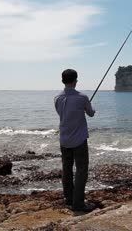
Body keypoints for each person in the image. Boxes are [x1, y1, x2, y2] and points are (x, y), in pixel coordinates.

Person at [54, 69, 95, 212]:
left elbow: (63, 114)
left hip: (64, 139)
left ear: (62, 81)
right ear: (76, 80)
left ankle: (69, 199)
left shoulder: (57, 98)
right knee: (81, 170)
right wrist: (88, 109)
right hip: (79, 140)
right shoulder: (82, 97)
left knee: (67, 169)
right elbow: (91, 113)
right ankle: (78, 204)